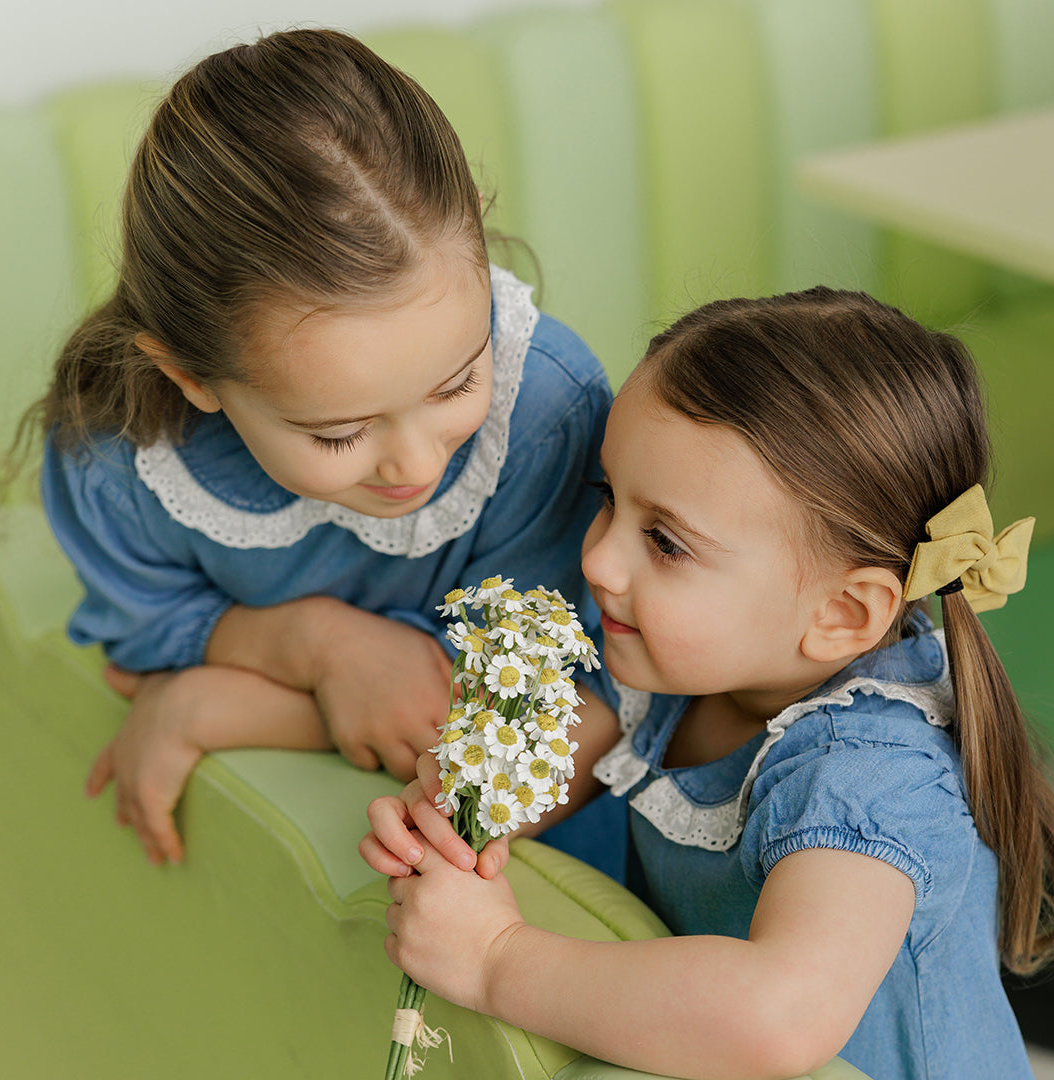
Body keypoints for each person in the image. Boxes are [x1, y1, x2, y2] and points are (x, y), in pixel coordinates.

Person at [362, 287, 1053, 1080]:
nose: (598, 561)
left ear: (840, 614)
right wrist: (463, 806)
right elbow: (555, 754)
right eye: (608, 499)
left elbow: (778, 1019)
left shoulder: (869, 777)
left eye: (665, 542)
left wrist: (495, 959)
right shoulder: (687, 667)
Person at [33, 28, 620, 870]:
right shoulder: (117, 460)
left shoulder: (545, 413)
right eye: (340, 433)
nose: (417, 466)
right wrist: (318, 644)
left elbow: (551, 703)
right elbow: (145, 634)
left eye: (457, 384)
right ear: (192, 376)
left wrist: (218, 705)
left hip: (554, 867)